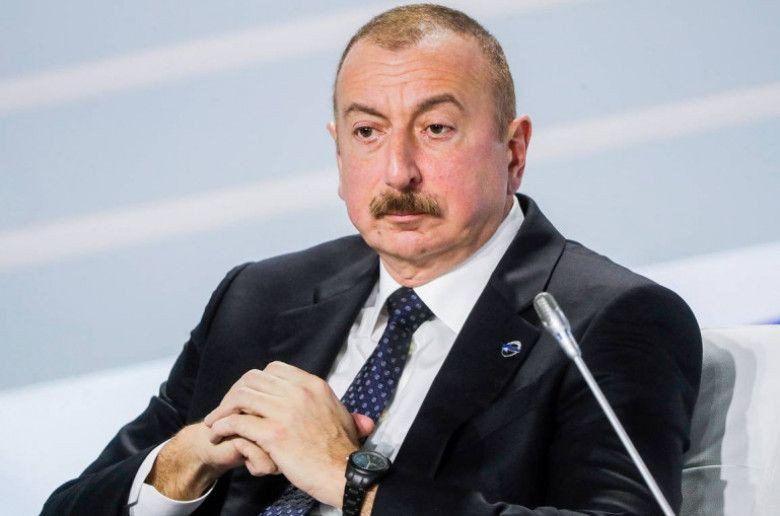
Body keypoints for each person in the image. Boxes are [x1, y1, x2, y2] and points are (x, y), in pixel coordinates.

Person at [43, 4, 701, 515]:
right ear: (338, 153)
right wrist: (181, 465)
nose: (398, 170)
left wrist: (349, 478)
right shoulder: (260, 297)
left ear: (514, 149)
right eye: (367, 132)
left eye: (436, 129)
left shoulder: (608, 319)